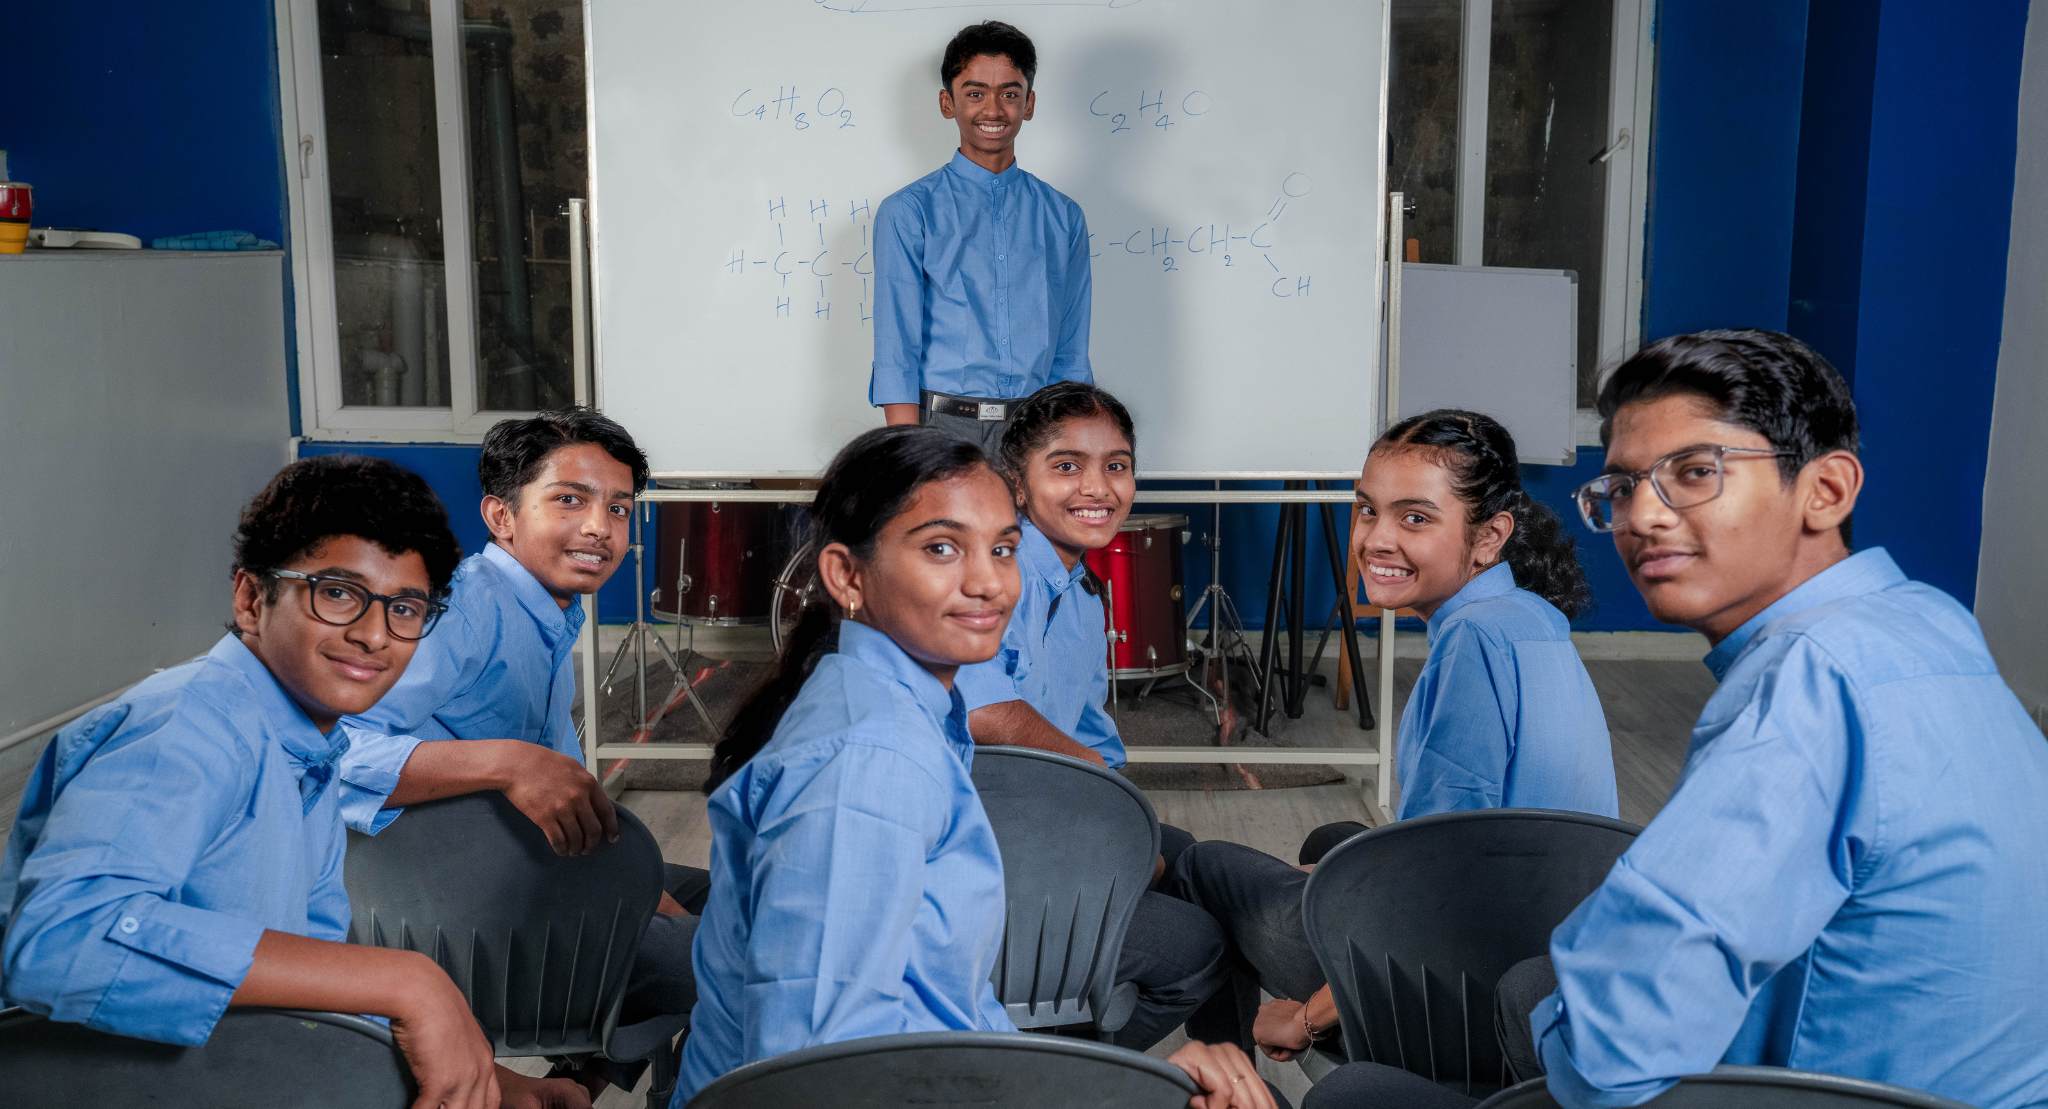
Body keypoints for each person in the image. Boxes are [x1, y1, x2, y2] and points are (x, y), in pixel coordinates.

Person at [1482, 329, 2048, 1109]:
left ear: (1827, 490)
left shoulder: (1811, 677)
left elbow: (1611, 1053)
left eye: (1693, 472)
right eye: (1620, 487)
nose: (1641, 515)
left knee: (1410, 1069)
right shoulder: (1926, 617)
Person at [674, 426, 1272, 1109]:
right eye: (941, 547)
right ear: (846, 574)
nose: (989, 582)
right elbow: (818, 1077)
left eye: (1004, 549)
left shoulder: (908, 710)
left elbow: (950, 1012)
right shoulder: (868, 762)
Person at [0, 455, 590, 1109]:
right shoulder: (191, 721)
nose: (372, 635)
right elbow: (59, 941)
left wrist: (498, 1083)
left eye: (404, 607)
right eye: (337, 592)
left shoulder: (311, 753)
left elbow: (303, 988)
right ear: (252, 598)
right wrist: (407, 977)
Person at [1173, 409, 1615, 1074]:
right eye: (1367, 510)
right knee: (1335, 843)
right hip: (1547, 941)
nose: (1376, 538)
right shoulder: (1528, 616)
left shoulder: (1471, 643)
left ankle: (1229, 1081)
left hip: (1468, 991)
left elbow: (1431, 905)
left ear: (1490, 535)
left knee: (1204, 867)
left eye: (1414, 518)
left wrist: (1307, 1014)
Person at [335, 408, 704, 1099]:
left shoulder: (547, 618)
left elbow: (580, 819)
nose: (601, 526)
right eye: (570, 499)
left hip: (510, 881)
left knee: (706, 894)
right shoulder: (462, 607)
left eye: (619, 508)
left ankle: (576, 1083)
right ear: (501, 517)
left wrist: (645, 893)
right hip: (460, 924)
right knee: (739, 958)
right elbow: (329, 746)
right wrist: (504, 762)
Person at [956, 381, 1228, 1050]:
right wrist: (1109, 813)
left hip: (1046, 829)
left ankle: (1070, 1036)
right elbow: (988, 714)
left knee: (1189, 859)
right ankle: (1071, 1069)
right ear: (1017, 484)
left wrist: (1124, 828)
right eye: (1067, 465)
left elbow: (1092, 737)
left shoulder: (1080, 598)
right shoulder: (990, 573)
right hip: (987, 854)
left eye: (1117, 465)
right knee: (1202, 947)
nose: (1098, 487)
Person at [870, 20, 1093, 450]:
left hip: (1038, 428)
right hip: (941, 427)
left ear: (1028, 104)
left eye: (1010, 94)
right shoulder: (908, 211)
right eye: (975, 93)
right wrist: (904, 452)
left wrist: (1070, 443)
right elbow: (897, 345)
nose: (993, 110)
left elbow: (1071, 346)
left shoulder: (1063, 216)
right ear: (947, 102)